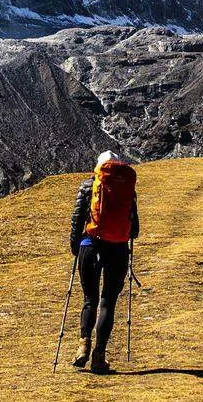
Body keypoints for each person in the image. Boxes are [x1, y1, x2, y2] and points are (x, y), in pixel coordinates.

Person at [69, 150, 140, 374]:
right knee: (108, 302)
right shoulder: (128, 189)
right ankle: (99, 356)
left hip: (90, 246)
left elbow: (77, 219)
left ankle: (83, 346)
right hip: (117, 250)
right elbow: (135, 230)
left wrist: (76, 247)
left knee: (89, 299)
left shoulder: (88, 186)